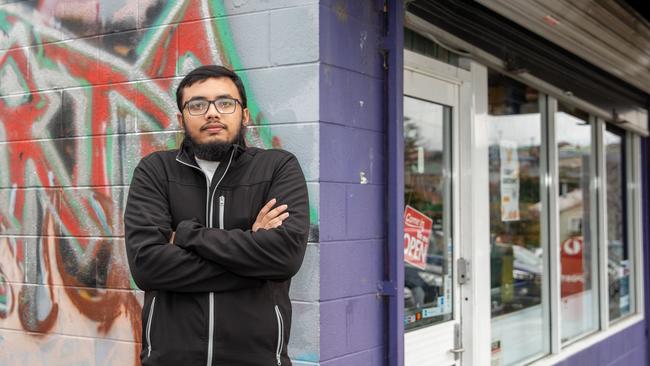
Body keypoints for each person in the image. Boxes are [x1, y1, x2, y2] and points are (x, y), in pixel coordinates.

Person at [124, 65, 309, 366]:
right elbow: (147, 267)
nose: (212, 113)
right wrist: (254, 259)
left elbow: (285, 257)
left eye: (225, 103)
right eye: (197, 105)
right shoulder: (156, 171)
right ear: (181, 119)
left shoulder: (277, 167)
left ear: (244, 115)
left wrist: (187, 235)